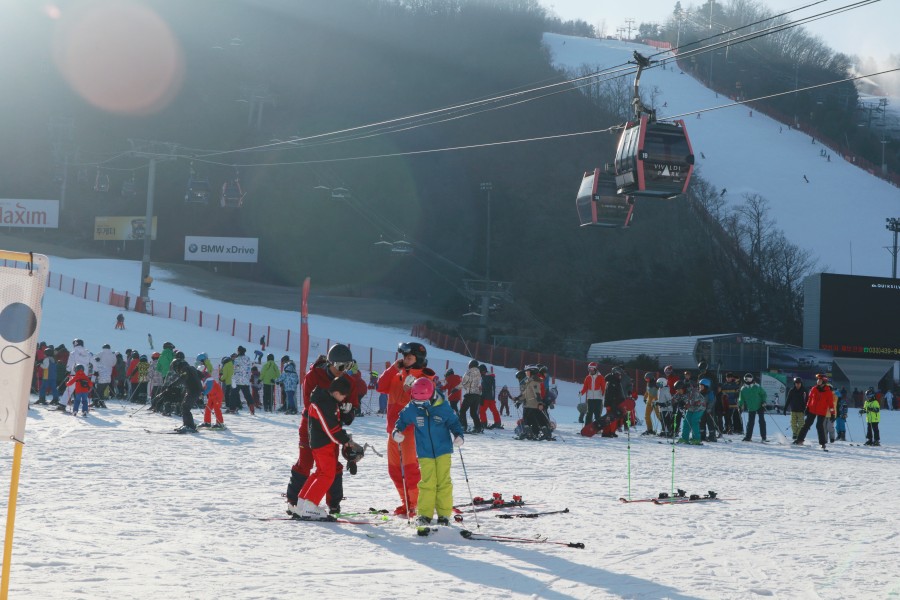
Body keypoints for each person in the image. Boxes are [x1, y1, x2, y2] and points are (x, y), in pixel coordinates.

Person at [286, 344, 361, 516]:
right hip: (311, 426)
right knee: (306, 463)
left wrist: (349, 413)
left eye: (348, 367)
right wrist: (336, 414)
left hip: (333, 430)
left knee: (331, 466)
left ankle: (333, 503)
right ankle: (294, 500)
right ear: (330, 363)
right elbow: (309, 405)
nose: (344, 371)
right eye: (341, 367)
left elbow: (353, 406)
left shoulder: (347, 382)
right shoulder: (314, 376)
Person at [392, 377, 464, 527]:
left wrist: (459, 435)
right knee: (427, 482)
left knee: (443, 482)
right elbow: (402, 419)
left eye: (422, 403)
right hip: (424, 451)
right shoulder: (413, 407)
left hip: (443, 450)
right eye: (416, 402)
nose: (419, 405)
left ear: (430, 396)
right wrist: (396, 431)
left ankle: (444, 515)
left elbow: (454, 422)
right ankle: (425, 514)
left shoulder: (443, 406)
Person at [377, 342, 431, 516]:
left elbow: (423, 403)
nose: (405, 360)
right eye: (403, 357)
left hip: (411, 432)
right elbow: (380, 386)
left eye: (409, 358)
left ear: (418, 359)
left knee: (410, 470)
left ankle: (416, 504)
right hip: (393, 431)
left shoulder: (424, 378)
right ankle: (406, 502)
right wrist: (393, 368)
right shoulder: (397, 374)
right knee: (394, 470)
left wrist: (410, 388)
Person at [794, 374, 835, 450]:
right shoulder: (814, 389)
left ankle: (822, 443)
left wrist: (832, 414)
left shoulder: (828, 392)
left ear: (824, 382)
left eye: (820, 380)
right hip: (812, 410)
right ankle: (800, 440)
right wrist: (807, 407)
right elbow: (809, 399)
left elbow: (831, 404)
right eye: (818, 380)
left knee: (819, 426)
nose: (818, 381)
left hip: (822, 411)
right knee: (806, 424)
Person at [514, 366, 550, 440]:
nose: (526, 373)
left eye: (528, 372)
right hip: (530, 403)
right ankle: (536, 433)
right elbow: (525, 394)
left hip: (531, 404)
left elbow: (537, 393)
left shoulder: (534, 382)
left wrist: (540, 403)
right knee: (536, 419)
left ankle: (529, 433)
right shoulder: (529, 381)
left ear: (532, 372)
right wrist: (518, 399)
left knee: (527, 419)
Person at [170, 359, 201, 433]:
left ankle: (189, 426)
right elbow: (201, 375)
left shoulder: (184, 369)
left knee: (185, 406)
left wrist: (172, 385)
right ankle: (187, 425)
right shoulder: (191, 368)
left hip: (193, 390)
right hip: (194, 390)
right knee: (184, 406)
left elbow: (183, 378)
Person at [738, 373, 767, 442]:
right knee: (750, 422)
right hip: (751, 407)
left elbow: (763, 394)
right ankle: (748, 437)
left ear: (752, 379)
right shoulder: (743, 389)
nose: (748, 381)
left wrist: (764, 401)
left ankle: (763, 437)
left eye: (749, 379)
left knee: (761, 421)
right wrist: (740, 405)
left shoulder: (757, 386)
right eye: (746, 379)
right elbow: (741, 398)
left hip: (760, 405)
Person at [579, 362, 606, 428]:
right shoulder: (587, 378)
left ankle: (598, 427)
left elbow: (603, 387)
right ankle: (587, 427)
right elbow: (585, 388)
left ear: (595, 369)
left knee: (597, 414)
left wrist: (603, 395)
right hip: (590, 398)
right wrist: (581, 393)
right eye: (589, 369)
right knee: (589, 413)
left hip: (598, 398)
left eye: (592, 368)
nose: (590, 370)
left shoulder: (600, 377)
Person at [459, 359, 483, 434]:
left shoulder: (468, 372)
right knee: (473, 412)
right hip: (477, 396)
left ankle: (463, 426)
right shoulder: (479, 373)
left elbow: (463, 383)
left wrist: (455, 389)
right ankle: (478, 427)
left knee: (462, 411)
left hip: (470, 394)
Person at [478, 364, 502, 429]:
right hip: (491, 397)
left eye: (479, 371)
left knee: (482, 411)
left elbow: (486, 388)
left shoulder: (486, 377)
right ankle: (497, 422)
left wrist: (482, 396)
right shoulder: (490, 377)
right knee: (494, 410)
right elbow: (490, 387)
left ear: (483, 371)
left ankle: (483, 423)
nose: (479, 373)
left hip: (486, 397)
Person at [232, 346, 254, 413]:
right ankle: (252, 408)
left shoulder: (237, 359)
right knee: (247, 395)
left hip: (238, 380)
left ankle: (233, 408)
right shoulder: (248, 358)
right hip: (245, 380)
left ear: (239, 351)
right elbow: (249, 368)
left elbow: (235, 369)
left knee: (233, 394)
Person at [641, 371, 659, 436]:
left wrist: (656, 400)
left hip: (655, 401)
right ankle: (649, 429)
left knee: (658, 416)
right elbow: (647, 391)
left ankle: (665, 429)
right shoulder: (648, 384)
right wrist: (645, 398)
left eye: (647, 379)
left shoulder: (656, 384)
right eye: (645, 379)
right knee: (647, 416)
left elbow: (658, 393)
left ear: (651, 378)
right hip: (649, 402)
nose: (646, 380)